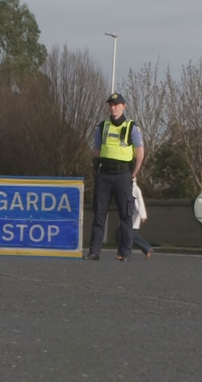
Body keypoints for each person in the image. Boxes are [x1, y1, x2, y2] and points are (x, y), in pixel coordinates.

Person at [84, 93, 145, 262]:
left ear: (124, 106)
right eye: (110, 104)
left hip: (123, 175)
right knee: (99, 214)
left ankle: (125, 252)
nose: (113, 107)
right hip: (104, 174)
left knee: (125, 215)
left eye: (116, 104)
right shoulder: (102, 127)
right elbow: (96, 151)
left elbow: (140, 155)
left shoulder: (132, 128)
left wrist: (132, 174)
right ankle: (94, 252)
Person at [115, 177, 153, 260]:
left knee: (129, 234)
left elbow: (140, 202)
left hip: (133, 215)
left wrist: (143, 215)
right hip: (126, 215)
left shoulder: (135, 189)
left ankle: (146, 248)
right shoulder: (126, 188)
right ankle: (121, 253)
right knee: (124, 233)